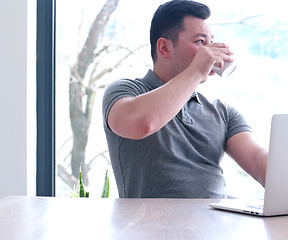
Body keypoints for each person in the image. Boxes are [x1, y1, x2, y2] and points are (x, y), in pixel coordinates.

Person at [102, 0, 267, 198]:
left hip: (218, 223)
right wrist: (196, 71)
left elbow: (257, 160)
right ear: (164, 48)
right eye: (200, 42)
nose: (210, 50)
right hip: (151, 227)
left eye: (211, 42)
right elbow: (143, 123)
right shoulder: (125, 91)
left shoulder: (223, 113)